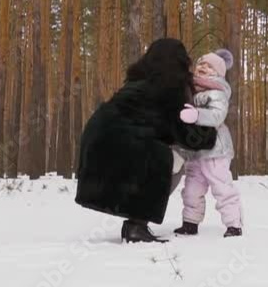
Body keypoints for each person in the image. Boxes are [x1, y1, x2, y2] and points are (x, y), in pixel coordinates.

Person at [75, 38, 217, 243]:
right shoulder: (171, 87)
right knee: (172, 161)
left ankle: (135, 221)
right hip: (120, 145)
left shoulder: (138, 83)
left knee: (155, 153)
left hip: (95, 145)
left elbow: (152, 124)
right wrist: (211, 131)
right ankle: (137, 223)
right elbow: (188, 136)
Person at [174, 49, 243, 238]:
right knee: (191, 188)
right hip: (195, 150)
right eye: (201, 64)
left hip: (215, 150)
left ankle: (234, 224)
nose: (203, 67)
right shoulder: (190, 89)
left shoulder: (217, 91)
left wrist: (197, 115)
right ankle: (190, 222)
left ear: (218, 72)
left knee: (222, 186)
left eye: (209, 66)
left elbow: (217, 115)